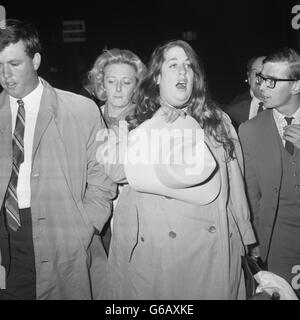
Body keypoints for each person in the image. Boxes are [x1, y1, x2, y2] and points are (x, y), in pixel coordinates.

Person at [101, 39, 256, 299]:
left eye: (189, 66)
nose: (183, 72)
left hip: (212, 252)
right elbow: (117, 172)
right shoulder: (134, 120)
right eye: (173, 65)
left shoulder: (218, 120)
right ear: (158, 77)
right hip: (157, 254)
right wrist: (157, 122)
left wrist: (246, 237)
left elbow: (236, 186)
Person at [0, 19, 116, 299]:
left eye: (14, 64)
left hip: (64, 238)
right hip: (7, 241)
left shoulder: (81, 110)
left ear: (36, 60)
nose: (5, 74)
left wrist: (84, 227)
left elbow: (103, 179)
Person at [239, 47, 300, 298]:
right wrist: (254, 241)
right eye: (262, 78)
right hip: (277, 242)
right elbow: (251, 195)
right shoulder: (249, 130)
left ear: (296, 86)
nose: (262, 86)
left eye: (272, 81)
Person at [87, 48, 146, 255]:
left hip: (135, 216)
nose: (119, 88)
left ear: (137, 86)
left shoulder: (146, 121)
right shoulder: (87, 116)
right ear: (102, 83)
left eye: (127, 82)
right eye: (112, 81)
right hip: (92, 211)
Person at [227, 55, 266, 130]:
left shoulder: (286, 109)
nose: (261, 78)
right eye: (256, 73)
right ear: (249, 77)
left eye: (267, 73)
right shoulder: (233, 111)